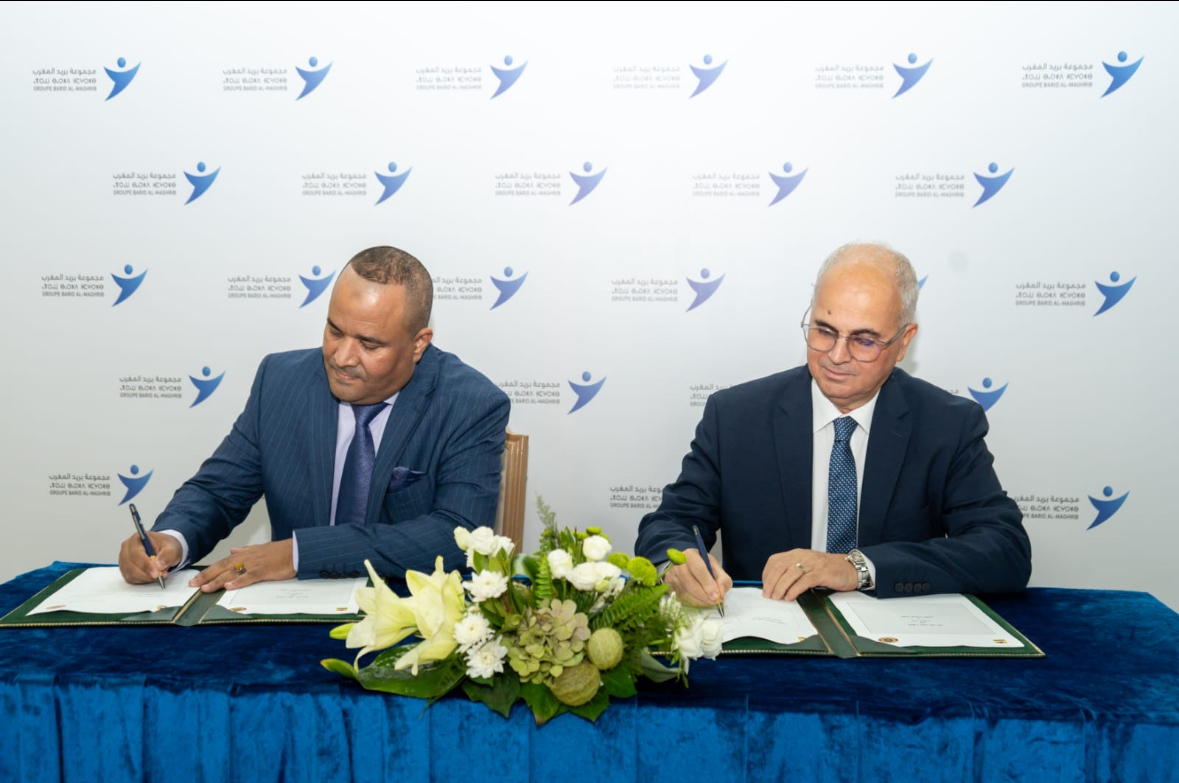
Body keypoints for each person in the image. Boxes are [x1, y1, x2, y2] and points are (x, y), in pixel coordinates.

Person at [635, 243, 1031, 605]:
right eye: (824, 331)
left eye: (864, 340)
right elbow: (670, 523)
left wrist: (855, 567)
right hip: (771, 636)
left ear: (903, 342)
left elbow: (1004, 550)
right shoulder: (736, 417)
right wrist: (678, 562)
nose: (836, 356)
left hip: (893, 644)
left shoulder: (947, 424)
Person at [117, 246, 510, 592]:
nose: (342, 357)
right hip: (286, 615)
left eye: (369, 344)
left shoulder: (470, 403)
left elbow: (457, 535)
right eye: (335, 331)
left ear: (419, 343)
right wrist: (171, 540)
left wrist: (299, 553)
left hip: (407, 617)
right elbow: (218, 492)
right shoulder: (280, 381)